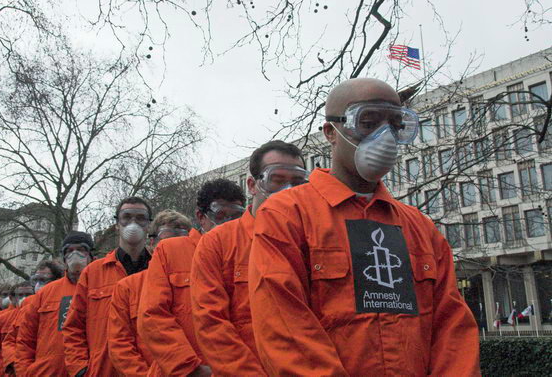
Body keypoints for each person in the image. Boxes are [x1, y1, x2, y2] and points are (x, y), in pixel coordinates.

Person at [248, 78, 480, 376]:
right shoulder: (285, 215)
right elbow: (284, 327)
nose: (385, 136)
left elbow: (453, 329)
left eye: (396, 124)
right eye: (367, 122)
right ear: (331, 132)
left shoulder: (420, 228)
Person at [190, 141, 308, 376]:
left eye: (297, 182)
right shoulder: (217, 243)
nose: (289, 190)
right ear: (253, 185)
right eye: (278, 179)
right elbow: (211, 323)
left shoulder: (315, 241)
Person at [138, 179, 246, 377]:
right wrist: (190, 368)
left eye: (236, 216)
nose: (229, 224)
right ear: (201, 216)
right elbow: (152, 316)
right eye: (221, 215)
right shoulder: (170, 251)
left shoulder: (250, 253)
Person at [63, 197, 153, 377]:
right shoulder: (93, 273)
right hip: (103, 370)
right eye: (126, 217)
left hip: (151, 370)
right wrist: (80, 369)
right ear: (117, 224)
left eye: (140, 218)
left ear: (149, 225)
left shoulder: (160, 269)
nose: (133, 223)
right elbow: (73, 327)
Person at [108, 210, 191, 377]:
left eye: (181, 240)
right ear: (152, 243)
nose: (173, 247)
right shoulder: (127, 288)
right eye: (167, 240)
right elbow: (120, 345)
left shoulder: (202, 279)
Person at [16, 231, 94, 377]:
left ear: (91, 255)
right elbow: (25, 340)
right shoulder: (46, 293)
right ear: (63, 257)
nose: (75, 254)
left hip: (89, 371)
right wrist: (26, 372)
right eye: (69, 251)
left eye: (81, 249)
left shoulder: (102, 290)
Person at [0, 282, 35, 375]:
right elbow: (6, 343)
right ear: (13, 298)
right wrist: (14, 363)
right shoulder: (2, 318)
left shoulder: (38, 312)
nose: (24, 298)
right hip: (13, 368)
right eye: (20, 295)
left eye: (28, 295)